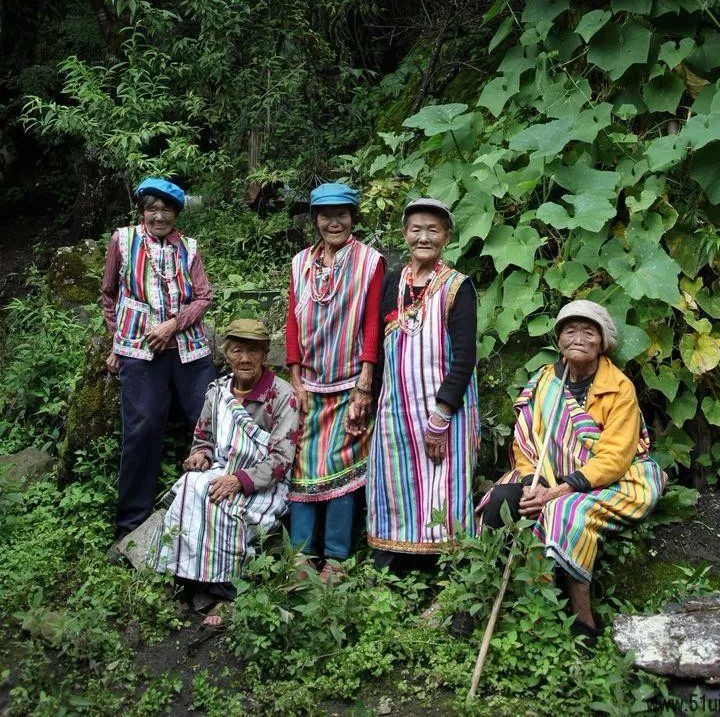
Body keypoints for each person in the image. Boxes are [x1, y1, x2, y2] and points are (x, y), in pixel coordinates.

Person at [480, 299, 666, 642]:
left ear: (602, 341)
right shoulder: (545, 381)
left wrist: (556, 491)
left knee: (564, 511)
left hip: (609, 479)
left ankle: (582, 622)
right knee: (500, 500)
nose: (578, 337)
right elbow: (525, 442)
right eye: (570, 330)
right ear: (559, 339)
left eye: (588, 331)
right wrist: (528, 481)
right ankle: (483, 596)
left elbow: (615, 457)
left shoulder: (619, 387)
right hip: (545, 474)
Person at [150, 318, 299, 626]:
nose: (245, 359)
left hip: (263, 483)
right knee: (190, 488)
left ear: (265, 353)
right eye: (237, 350)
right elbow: (203, 438)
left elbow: (283, 458)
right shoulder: (218, 391)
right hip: (222, 471)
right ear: (227, 352)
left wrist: (239, 481)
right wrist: (200, 457)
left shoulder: (282, 395)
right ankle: (180, 577)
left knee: (224, 506)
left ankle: (225, 593)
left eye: (253, 351)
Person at [367, 198, 479, 568]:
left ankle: (448, 578)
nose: (424, 237)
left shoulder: (457, 288)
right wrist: (371, 396)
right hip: (396, 409)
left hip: (443, 410)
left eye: (433, 230)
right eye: (416, 229)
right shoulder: (394, 283)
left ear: (446, 236)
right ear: (404, 235)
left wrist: (442, 414)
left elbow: (464, 357)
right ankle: (395, 568)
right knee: (398, 488)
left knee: (442, 491)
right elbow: (383, 347)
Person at [102, 176, 216, 541]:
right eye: (152, 208)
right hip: (139, 349)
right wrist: (116, 343)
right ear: (142, 211)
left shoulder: (189, 248)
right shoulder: (123, 240)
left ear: (176, 214)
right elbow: (108, 294)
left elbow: (203, 296)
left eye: (167, 209)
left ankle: (208, 515)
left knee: (209, 421)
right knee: (143, 427)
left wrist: (173, 324)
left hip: (188, 349)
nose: (159, 216)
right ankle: (131, 525)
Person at [286, 182, 384, 581]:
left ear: (352, 218)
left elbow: (373, 322)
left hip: (349, 383)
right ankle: (301, 555)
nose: (334, 222)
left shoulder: (369, 262)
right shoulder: (300, 263)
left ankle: (337, 558)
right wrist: (294, 374)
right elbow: (292, 319)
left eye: (341, 214)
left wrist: (365, 382)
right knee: (303, 466)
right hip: (308, 383)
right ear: (315, 220)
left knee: (343, 465)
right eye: (325, 215)